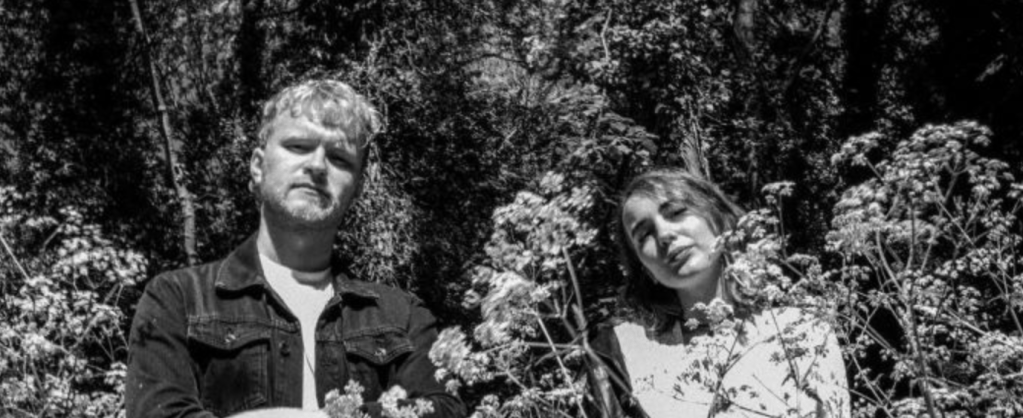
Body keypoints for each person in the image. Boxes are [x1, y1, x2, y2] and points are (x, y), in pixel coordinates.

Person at [126, 79, 466, 418]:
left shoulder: (402, 317)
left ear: (358, 187)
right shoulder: (179, 299)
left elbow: (444, 410)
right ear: (258, 166)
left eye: (339, 158)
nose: (317, 166)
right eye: (298, 146)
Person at [597, 168, 849, 417]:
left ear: (718, 217)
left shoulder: (802, 327)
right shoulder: (627, 353)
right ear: (644, 269)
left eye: (676, 212)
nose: (664, 235)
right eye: (644, 235)